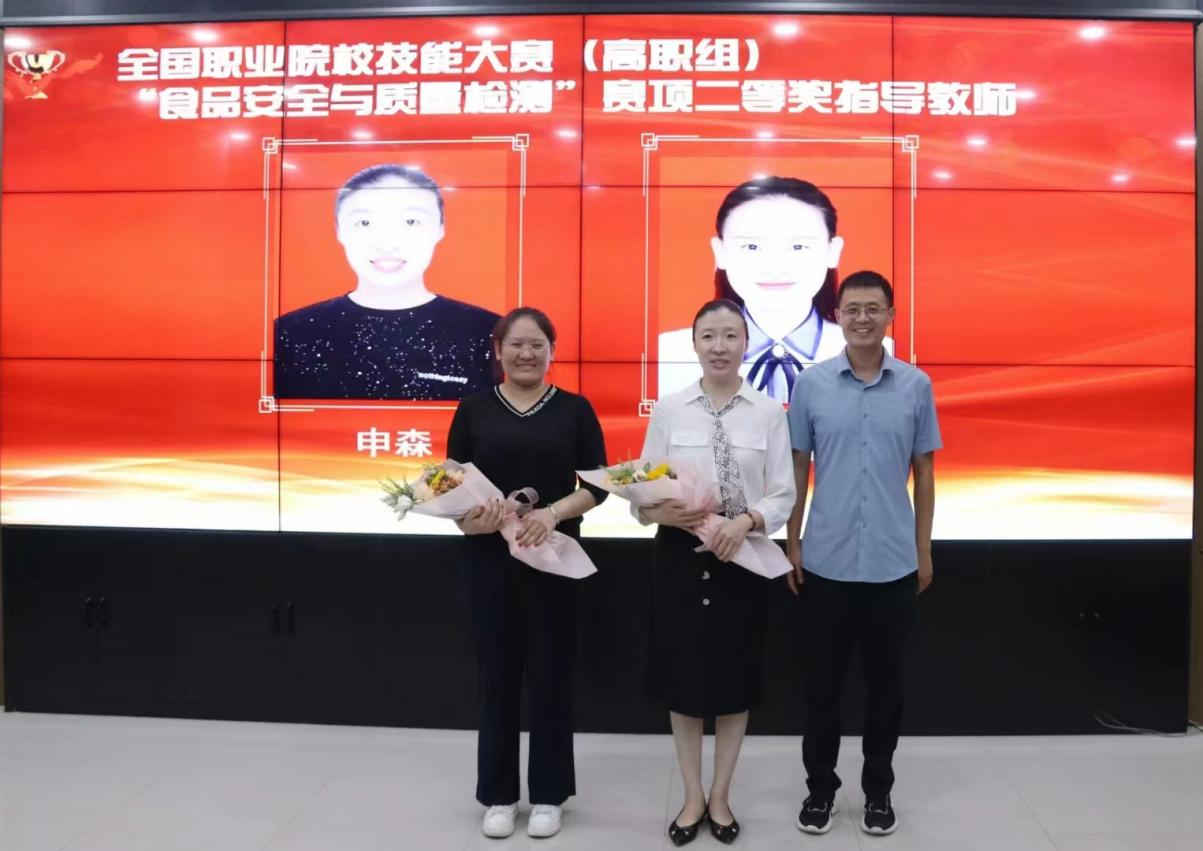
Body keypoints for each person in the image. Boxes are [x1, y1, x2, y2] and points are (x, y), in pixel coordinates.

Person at [785, 270, 941, 837]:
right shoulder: (812, 384)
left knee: (886, 690)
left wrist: (923, 548)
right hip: (824, 562)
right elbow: (797, 468)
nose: (862, 318)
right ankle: (820, 791)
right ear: (838, 316)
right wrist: (793, 541)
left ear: (891, 316)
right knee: (821, 689)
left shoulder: (916, 386)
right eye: (852, 309)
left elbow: (925, 471)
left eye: (874, 308)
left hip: (892, 563)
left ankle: (878, 791)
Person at [637, 298, 796, 846]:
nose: (720, 346)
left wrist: (746, 520)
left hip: (742, 557)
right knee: (682, 681)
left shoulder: (769, 412)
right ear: (695, 344)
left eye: (730, 336)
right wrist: (662, 513)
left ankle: (721, 795)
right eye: (709, 336)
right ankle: (691, 796)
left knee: (735, 679)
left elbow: (783, 493)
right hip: (679, 556)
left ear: (746, 343)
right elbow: (641, 492)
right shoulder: (669, 409)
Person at [446, 306, 608, 840]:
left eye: (537, 344)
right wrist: (473, 519)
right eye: (515, 344)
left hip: (553, 557)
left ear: (552, 351)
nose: (526, 353)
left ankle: (548, 795)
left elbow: (598, 486)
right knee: (496, 676)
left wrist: (552, 514)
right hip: (490, 562)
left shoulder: (575, 409)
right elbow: (451, 485)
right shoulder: (473, 409)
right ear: (498, 350)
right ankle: (498, 795)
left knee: (551, 675)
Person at [275, 163, 499, 400]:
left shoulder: (488, 330)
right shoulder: (289, 332)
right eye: (364, 223)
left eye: (410, 222)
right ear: (339, 230)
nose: (387, 244)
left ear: (440, 228)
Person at [658, 176, 893, 403]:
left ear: (833, 251)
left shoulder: (885, 352)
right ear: (720, 252)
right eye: (751, 246)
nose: (775, 267)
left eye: (798, 246)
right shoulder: (668, 353)